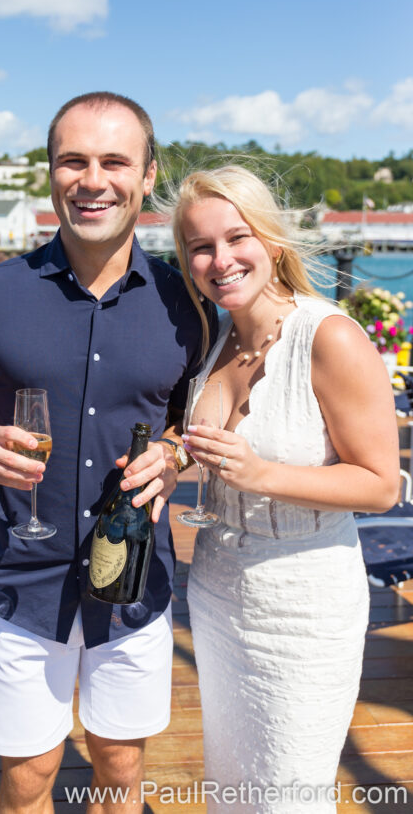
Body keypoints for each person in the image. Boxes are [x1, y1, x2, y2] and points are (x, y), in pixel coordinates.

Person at [0, 92, 214, 813]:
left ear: (148, 176)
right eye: (73, 161)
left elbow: (199, 428)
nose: (93, 180)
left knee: (119, 768)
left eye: (115, 161)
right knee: (28, 777)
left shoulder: (193, 305)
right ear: (50, 173)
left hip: (136, 580)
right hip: (25, 577)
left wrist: (177, 454)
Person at [169, 166, 400, 813]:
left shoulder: (329, 337)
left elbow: (382, 485)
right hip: (215, 591)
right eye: (200, 247)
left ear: (272, 240)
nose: (221, 260)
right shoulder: (213, 343)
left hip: (305, 608)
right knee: (234, 790)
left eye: (236, 237)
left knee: (289, 797)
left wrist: (260, 474)